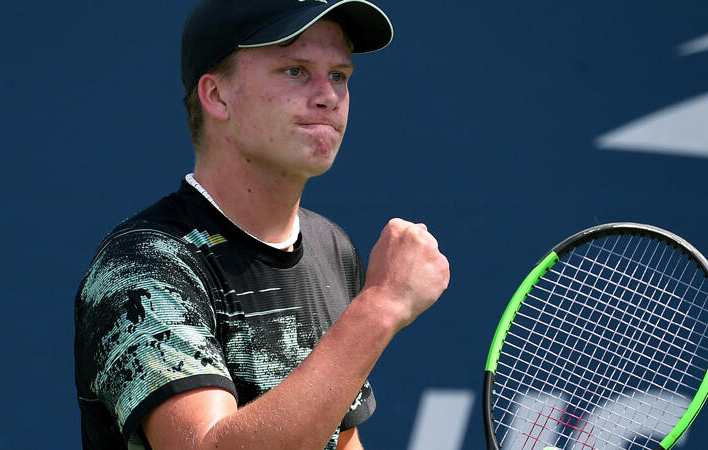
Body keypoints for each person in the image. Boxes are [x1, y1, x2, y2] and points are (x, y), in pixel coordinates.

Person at [74, 1, 450, 449]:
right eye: (295, 71)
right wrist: (381, 308)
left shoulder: (332, 248)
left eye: (338, 75)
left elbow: (338, 440)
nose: (328, 96)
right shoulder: (144, 265)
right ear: (217, 96)